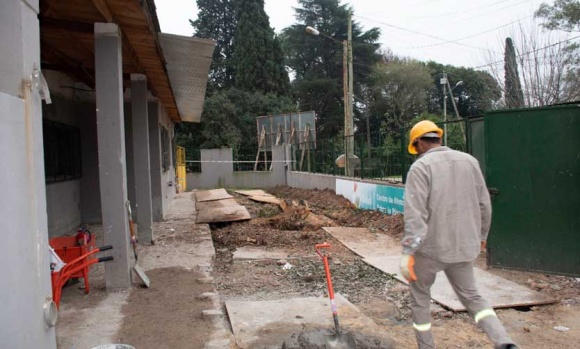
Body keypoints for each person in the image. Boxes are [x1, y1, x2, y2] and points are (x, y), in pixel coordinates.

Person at [399, 120, 517, 349]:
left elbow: (415, 215)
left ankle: (426, 346)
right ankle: (503, 341)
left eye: (416, 148)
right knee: (473, 297)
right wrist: (482, 236)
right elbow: (484, 204)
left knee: (420, 298)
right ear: (438, 138)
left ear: (420, 143)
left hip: (429, 250)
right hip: (464, 246)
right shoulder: (470, 161)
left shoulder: (420, 168)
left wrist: (408, 252)